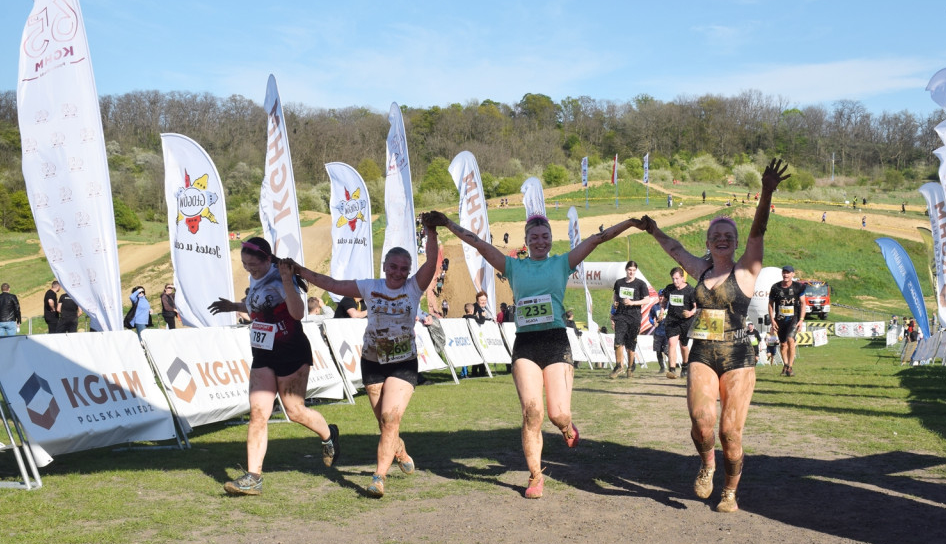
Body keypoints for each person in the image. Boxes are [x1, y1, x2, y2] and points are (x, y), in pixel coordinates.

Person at [425, 208, 642, 499]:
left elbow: (597, 239)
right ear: (527, 241)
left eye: (545, 236)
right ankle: (536, 475)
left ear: (551, 239)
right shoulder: (513, 267)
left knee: (558, 414)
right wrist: (447, 223)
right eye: (535, 237)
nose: (541, 241)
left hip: (555, 343)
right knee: (532, 413)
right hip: (525, 345)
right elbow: (477, 243)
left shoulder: (563, 263)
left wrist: (629, 222)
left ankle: (567, 426)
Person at [640, 157, 789, 513]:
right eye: (716, 236)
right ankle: (707, 464)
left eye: (728, 237)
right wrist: (654, 230)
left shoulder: (747, 270)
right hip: (704, 353)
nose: (722, 240)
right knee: (702, 423)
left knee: (730, 433)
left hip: (738, 355)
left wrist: (766, 192)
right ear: (708, 242)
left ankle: (730, 491)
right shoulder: (701, 269)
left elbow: (758, 231)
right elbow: (675, 250)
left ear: (735, 243)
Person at [290, 228, 439, 499]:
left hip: (403, 363)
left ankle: (378, 478)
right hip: (372, 362)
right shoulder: (370, 286)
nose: (398, 272)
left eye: (404, 269)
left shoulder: (414, 287)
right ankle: (400, 450)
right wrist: (301, 271)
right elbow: (332, 284)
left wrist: (432, 233)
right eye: (393, 267)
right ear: (384, 267)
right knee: (385, 425)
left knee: (390, 417)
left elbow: (431, 262)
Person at [208, 237, 340, 496]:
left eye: (253, 265)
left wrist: (289, 281)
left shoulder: (280, 278)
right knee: (259, 413)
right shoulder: (256, 276)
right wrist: (234, 306)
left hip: (291, 350)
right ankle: (253, 477)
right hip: (263, 352)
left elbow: (297, 313)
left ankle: (329, 435)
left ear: (268, 259)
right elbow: (259, 304)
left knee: (295, 411)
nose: (249, 269)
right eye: (245, 265)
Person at [610, 261, 650, 379]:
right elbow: (616, 295)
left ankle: (631, 367)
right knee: (618, 341)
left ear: (635, 271)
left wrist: (632, 302)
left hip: (634, 317)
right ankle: (618, 366)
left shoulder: (640, 284)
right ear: (626, 270)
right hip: (621, 315)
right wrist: (615, 303)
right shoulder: (619, 283)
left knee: (630, 344)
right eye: (629, 270)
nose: (631, 272)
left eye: (633, 270)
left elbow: (647, 300)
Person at [769, 265, 806, 377]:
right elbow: (770, 304)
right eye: (784, 272)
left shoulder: (798, 287)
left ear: (792, 274)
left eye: (788, 273)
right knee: (783, 344)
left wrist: (801, 320)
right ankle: (785, 365)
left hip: (793, 318)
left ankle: (790, 367)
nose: (786, 275)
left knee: (790, 339)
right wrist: (772, 320)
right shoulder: (775, 287)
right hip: (780, 319)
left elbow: (803, 303)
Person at [660, 267, 697, 379]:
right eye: (673, 279)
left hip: (686, 321)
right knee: (671, 343)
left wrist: (690, 313)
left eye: (677, 278)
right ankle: (672, 370)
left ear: (682, 278)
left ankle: (685, 366)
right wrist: (662, 312)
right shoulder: (669, 289)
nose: (675, 281)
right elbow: (663, 302)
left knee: (684, 346)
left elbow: (696, 307)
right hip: (672, 320)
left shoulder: (690, 290)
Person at [648, 303, 668, 373]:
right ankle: (662, 367)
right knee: (658, 350)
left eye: (663, 296)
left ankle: (672, 366)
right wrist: (653, 322)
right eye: (660, 296)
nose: (661, 297)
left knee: (667, 351)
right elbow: (650, 317)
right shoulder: (655, 307)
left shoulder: (669, 305)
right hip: (658, 332)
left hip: (668, 332)